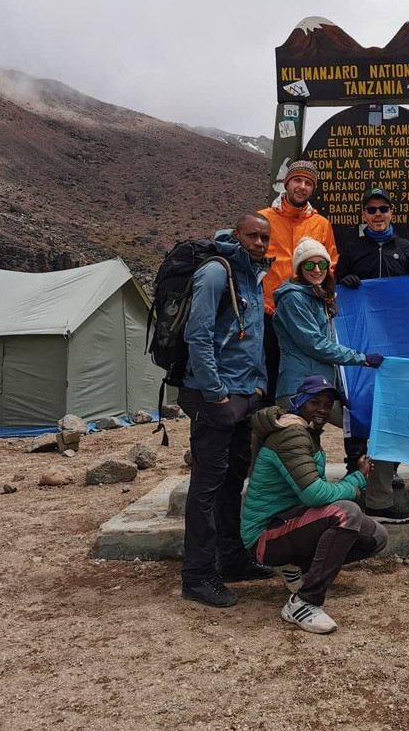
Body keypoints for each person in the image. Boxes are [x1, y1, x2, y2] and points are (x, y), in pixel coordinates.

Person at [178, 213, 276, 608]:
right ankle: (198, 576)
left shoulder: (254, 274)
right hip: (213, 396)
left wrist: (259, 385)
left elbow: (254, 338)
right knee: (207, 486)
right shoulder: (217, 273)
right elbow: (197, 334)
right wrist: (215, 392)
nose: (259, 242)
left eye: (265, 237)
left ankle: (232, 559)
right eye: (252, 235)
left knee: (233, 480)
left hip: (243, 395)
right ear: (236, 235)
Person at [241, 376, 388, 634]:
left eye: (328, 404)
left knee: (376, 536)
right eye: (314, 402)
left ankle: (295, 565)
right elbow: (314, 495)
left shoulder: (305, 433)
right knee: (346, 512)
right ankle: (303, 602)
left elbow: (314, 492)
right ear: (298, 402)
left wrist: (358, 476)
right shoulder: (292, 434)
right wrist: (353, 488)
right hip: (264, 536)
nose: (322, 409)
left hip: (287, 523)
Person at [336, 188, 409, 523]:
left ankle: (390, 469)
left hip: (399, 338)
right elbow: (337, 285)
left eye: (383, 209)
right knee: (359, 399)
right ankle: (353, 467)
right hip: (363, 338)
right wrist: (346, 280)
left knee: (395, 403)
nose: (377, 214)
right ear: (363, 215)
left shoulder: (406, 248)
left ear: (392, 213)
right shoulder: (353, 248)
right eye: (371, 210)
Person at [272, 236, 382, 411]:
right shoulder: (292, 298)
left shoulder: (320, 297)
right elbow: (315, 345)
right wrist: (362, 358)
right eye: (309, 265)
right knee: (300, 438)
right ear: (299, 268)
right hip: (299, 389)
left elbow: (329, 346)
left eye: (322, 264)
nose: (317, 270)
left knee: (353, 426)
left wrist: (339, 389)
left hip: (321, 387)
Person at [259, 160, 338, 401]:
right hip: (268, 311)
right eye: (297, 180)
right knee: (267, 374)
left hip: (307, 315)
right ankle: (266, 430)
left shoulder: (321, 224)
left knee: (305, 380)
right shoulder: (264, 219)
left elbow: (330, 264)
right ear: (287, 183)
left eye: (308, 183)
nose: (302, 186)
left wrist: (325, 300)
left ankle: (300, 432)